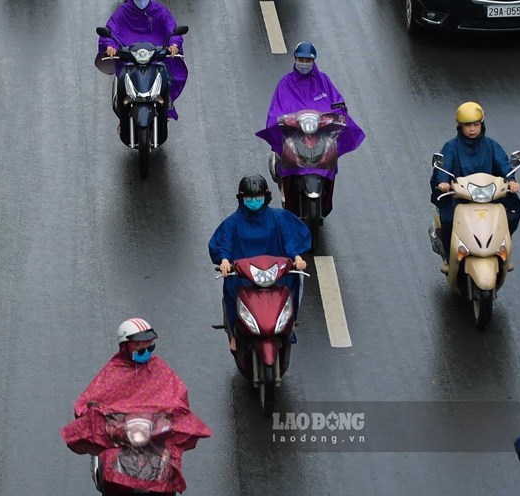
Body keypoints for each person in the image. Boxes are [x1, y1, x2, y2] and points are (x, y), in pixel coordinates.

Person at [60, 318, 211, 496]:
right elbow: (86, 403)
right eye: (140, 349)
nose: (146, 353)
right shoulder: (113, 372)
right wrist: (95, 414)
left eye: (150, 348)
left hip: (155, 437)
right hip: (121, 437)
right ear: (125, 347)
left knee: (167, 468)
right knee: (113, 473)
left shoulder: (158, 368)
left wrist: (171, 414)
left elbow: (179, 395)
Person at [208, 175, 311, 350]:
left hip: (275, 275)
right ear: (241, 198)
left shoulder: (279, 218)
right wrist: (225, 261)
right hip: (245, 277)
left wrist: (298, 258)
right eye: (249, 197)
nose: (254, 201)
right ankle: (234, 331)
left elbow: (290, 239)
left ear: (266, 197)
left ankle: (289, 325)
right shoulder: (233, 223)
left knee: (294, 282)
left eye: (257, 197)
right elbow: (224, 243)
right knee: (231, 288)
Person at [255, 41, 365, 196]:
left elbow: (337, 103)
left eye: (308, 60)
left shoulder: (323, 81)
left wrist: (338, 115)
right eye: (301, 60)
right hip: (295, 132)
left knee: (331, 152)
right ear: (295, 59)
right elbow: (276, 109)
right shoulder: (285, 83)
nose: (304, 64)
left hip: (320, 132)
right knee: (283, 150)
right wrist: (279, 123)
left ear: (314, 61)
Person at [430, 102, 520, 273]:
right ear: (460, 126)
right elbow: (444, 165)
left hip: (490, 195)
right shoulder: (451, 147)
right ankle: (448, 257)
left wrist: (511, 180)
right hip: (460, 196)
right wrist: (443, 182)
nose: (472, 129)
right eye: (467, 125)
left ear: (482, 124)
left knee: (514, 210)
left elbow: (503, 164)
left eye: (476, 124)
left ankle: (503, 249)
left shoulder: (491, 145)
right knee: (448, 219)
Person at [97, 0, 187, 121]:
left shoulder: (158, 10)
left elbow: (172, 28)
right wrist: (110, 46)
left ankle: (166, 105)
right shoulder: (123, 11)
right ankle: (123, 117)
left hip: (155, 55)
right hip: (131, 56)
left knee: (170, 75)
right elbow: (111, 30)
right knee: (122, 79)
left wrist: (174, 44)